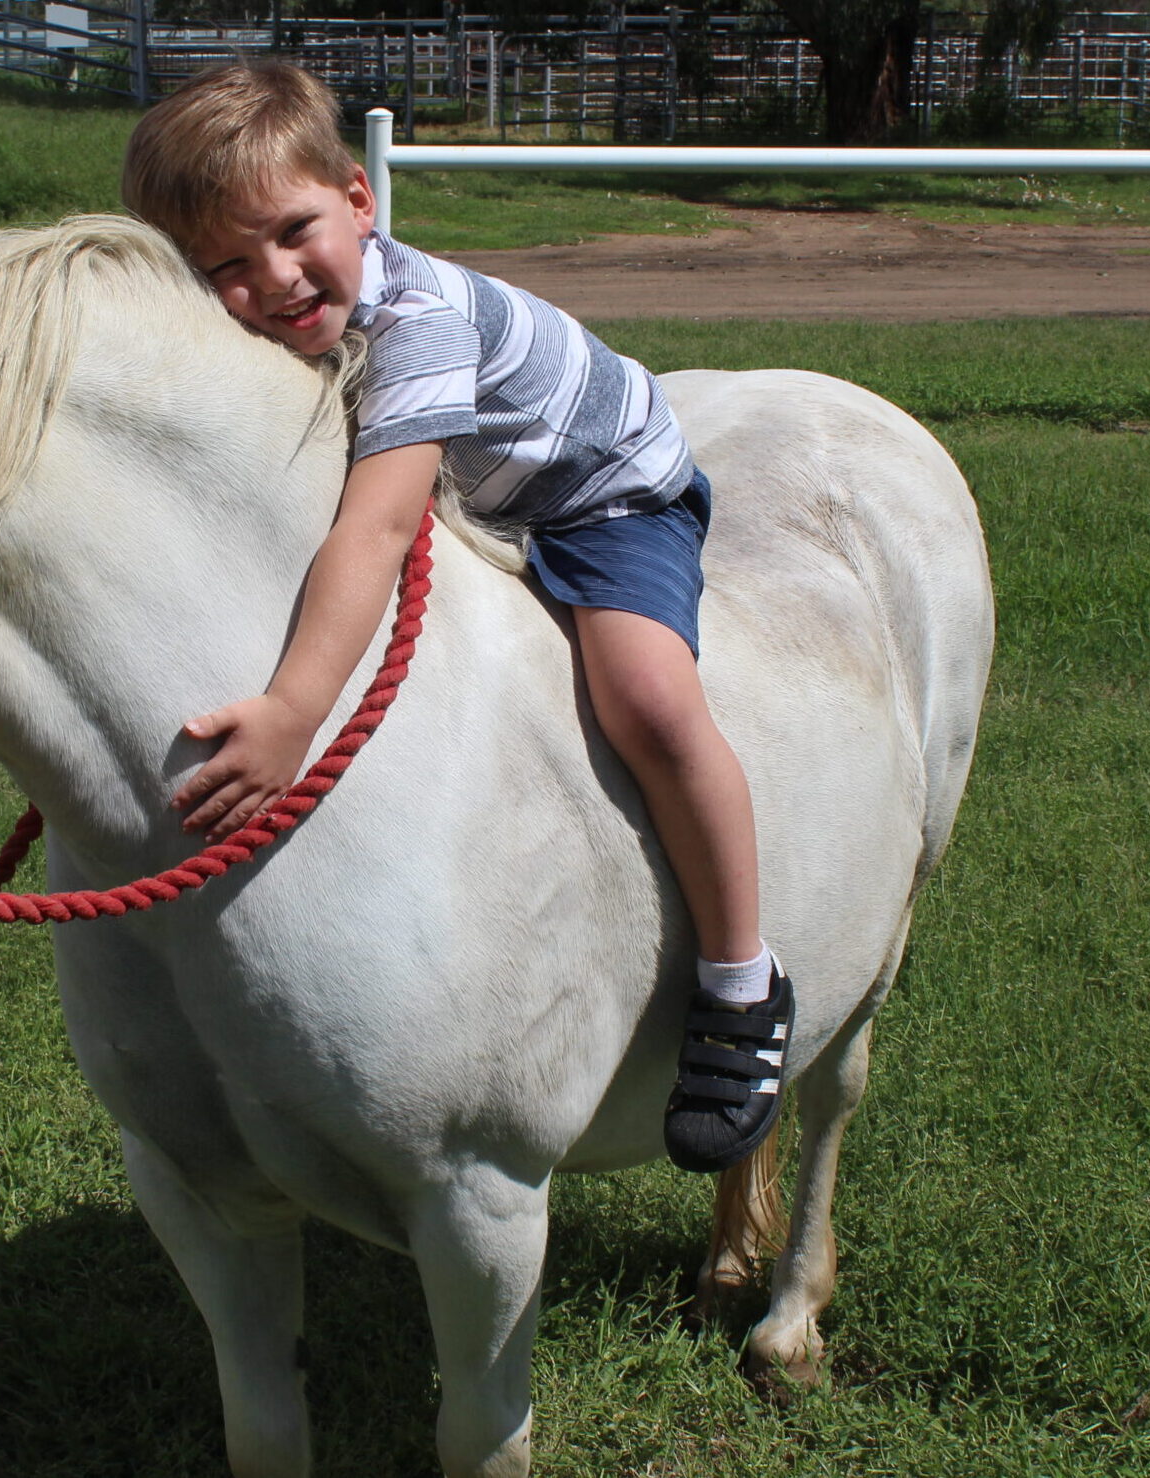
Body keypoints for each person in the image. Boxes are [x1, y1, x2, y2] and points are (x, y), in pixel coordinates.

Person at [120, 59, 790, 1175]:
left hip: (597, 492)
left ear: (358, 198)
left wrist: (295, 708)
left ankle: (741, 981)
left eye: (294, 230)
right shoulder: (267, 323)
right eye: (224, 267)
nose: (275, 280)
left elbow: (375, 532)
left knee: (649, 700)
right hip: (482, 487)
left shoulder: (417, 324)